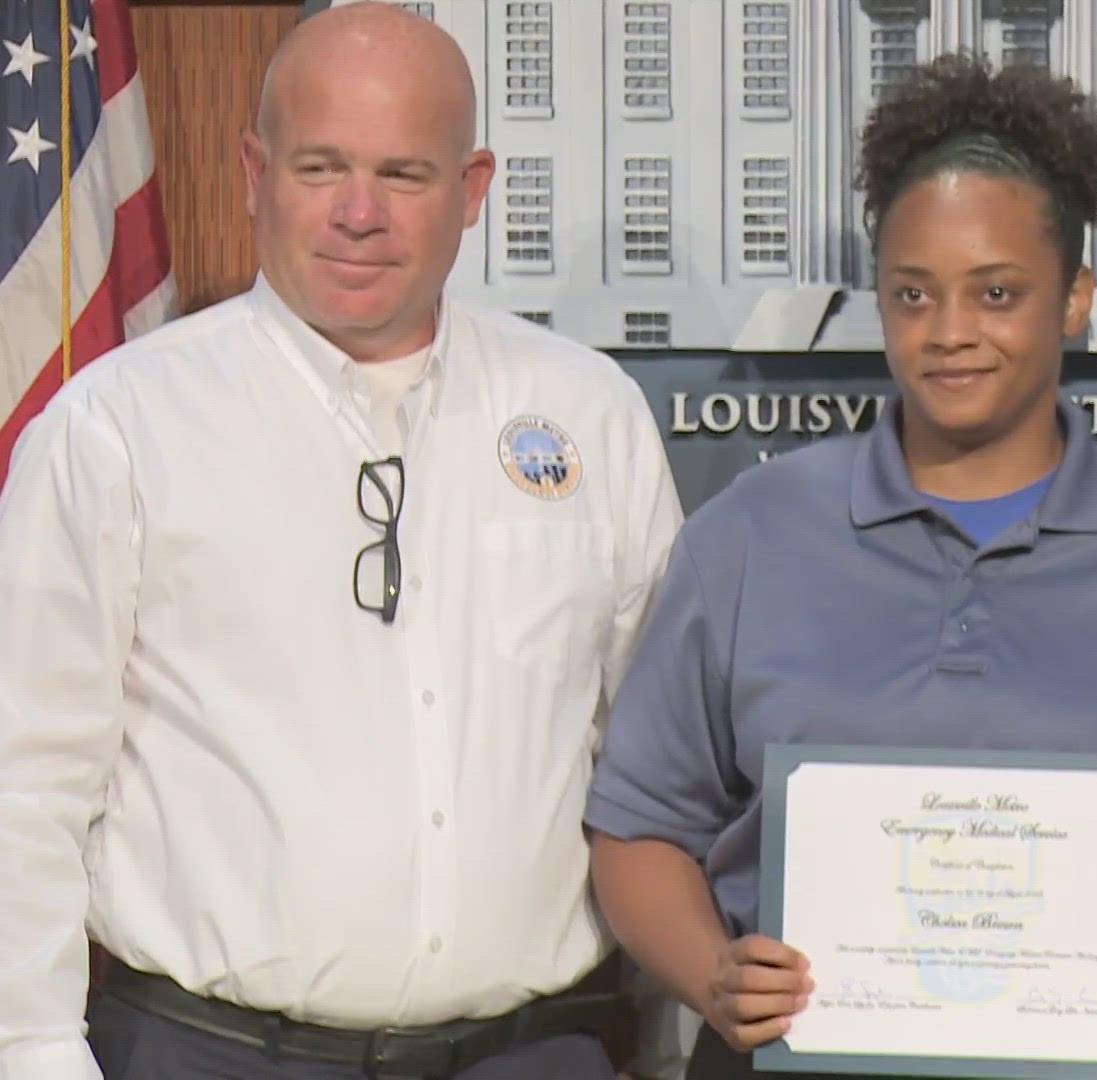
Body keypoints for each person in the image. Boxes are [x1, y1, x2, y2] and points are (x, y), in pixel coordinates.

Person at [584, 52, 1097, 1080]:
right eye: (913, 294)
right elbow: (638, 830)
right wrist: (712, 973)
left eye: (998, 292)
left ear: (1074, 299)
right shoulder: (748, 537)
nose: (950, 332)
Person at [0, 5, 684, 1079]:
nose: (358, 213)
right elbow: (23, 776)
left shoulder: (590, 415)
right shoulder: (118, 428)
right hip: (208, 1054)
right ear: (253, 171)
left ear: (472, 191)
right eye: (321, 168)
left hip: (538, 1051)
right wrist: (31, 1049)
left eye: (404, 175)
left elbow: (659, 766)